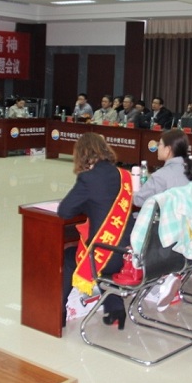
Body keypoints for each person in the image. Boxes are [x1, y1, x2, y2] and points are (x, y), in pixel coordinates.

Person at [58, 133, 134, 329]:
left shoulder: (88, 178)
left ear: (82, 154)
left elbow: (65, 211)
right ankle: (115, 310)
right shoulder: (124, 175)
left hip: (109, 257)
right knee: (102, 251)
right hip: (129, 254)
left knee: (71, 257)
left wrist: (86, 204)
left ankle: (58, 313)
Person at [133, 129, 192, 207]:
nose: (157, 147)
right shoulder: (191, 170)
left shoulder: (159, 176)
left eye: (159, 144)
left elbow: (138, 200)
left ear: (167, 150)